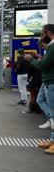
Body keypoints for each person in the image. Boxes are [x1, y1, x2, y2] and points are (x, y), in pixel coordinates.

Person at [35, 25, 54, 154]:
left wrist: (32, 60)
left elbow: (43, 65)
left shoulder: (53, 47)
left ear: (48, 33)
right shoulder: (50, 47)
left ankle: (51, 119)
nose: (42, 36)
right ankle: (51, 121)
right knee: (40, 99)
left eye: (42, 34)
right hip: (47, 81)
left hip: (51, 82)